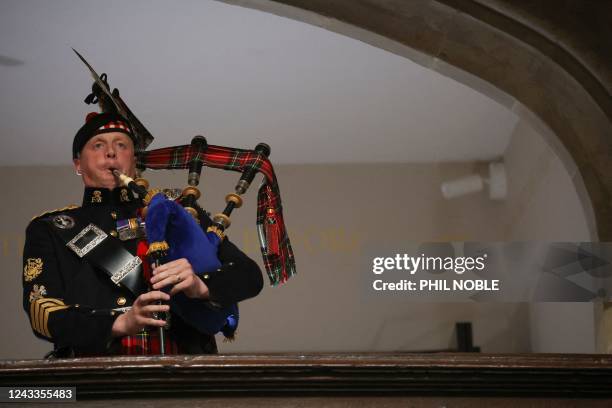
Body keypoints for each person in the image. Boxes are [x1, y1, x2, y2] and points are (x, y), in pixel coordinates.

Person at [22, 112, 263, 357]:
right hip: (95, 377)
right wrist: (120, 323)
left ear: (134, 160)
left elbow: (249, 274)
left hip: (188, 374)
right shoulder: (51, 228)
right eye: (98, 145)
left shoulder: (174, 209)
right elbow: (41, 311)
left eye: (121, 145)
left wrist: (200, 285)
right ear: (78, 164)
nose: (111, 153)